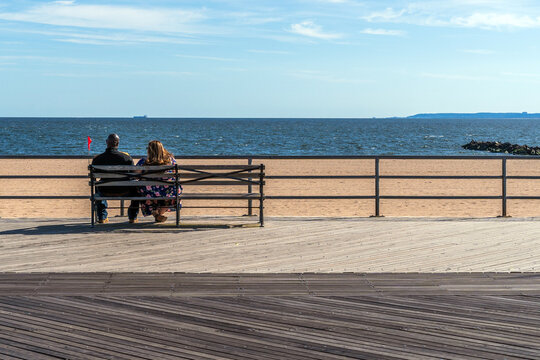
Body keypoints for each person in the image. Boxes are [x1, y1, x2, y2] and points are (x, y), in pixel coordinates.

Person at [91, 134, 139, 223]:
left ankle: (102, 216)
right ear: (118, 143)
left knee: (98, 186)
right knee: (137, 189)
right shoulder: (126, 158)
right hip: (125, 190)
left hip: (105, 190)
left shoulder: (98, 159)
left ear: (106, 143)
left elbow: (94, 176)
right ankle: (132, 216)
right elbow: (133, 174)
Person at [136, 140, 182, 222]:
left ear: (150, 150)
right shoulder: (171, 160)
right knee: (173, 191)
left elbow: (135, 175)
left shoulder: (144, 161)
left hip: (149, 193)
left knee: (142, 189)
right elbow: (175, 175)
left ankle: (155, 213)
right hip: (167, 192)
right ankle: (159, 214)